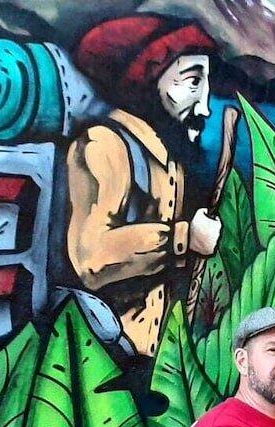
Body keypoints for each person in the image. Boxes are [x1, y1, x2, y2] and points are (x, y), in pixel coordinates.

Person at [68, 15, 222, 357]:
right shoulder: (104, 144)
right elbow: (91, 258)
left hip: (147, 357)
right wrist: (183, 239)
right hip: (100, 356)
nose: (204, 106)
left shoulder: (170, 160)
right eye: (192, 81)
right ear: (149, 77)